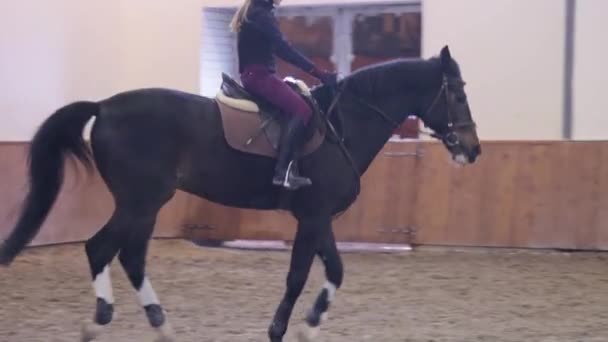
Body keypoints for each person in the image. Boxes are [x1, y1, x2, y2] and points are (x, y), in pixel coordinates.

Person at [230, 0, 337, 190]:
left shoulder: (255, 11)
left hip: (256, 74)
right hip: (260, 76)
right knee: (302, 110)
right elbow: (284, 50)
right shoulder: (262, 15)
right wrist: (319, 74)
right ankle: (284, 172)